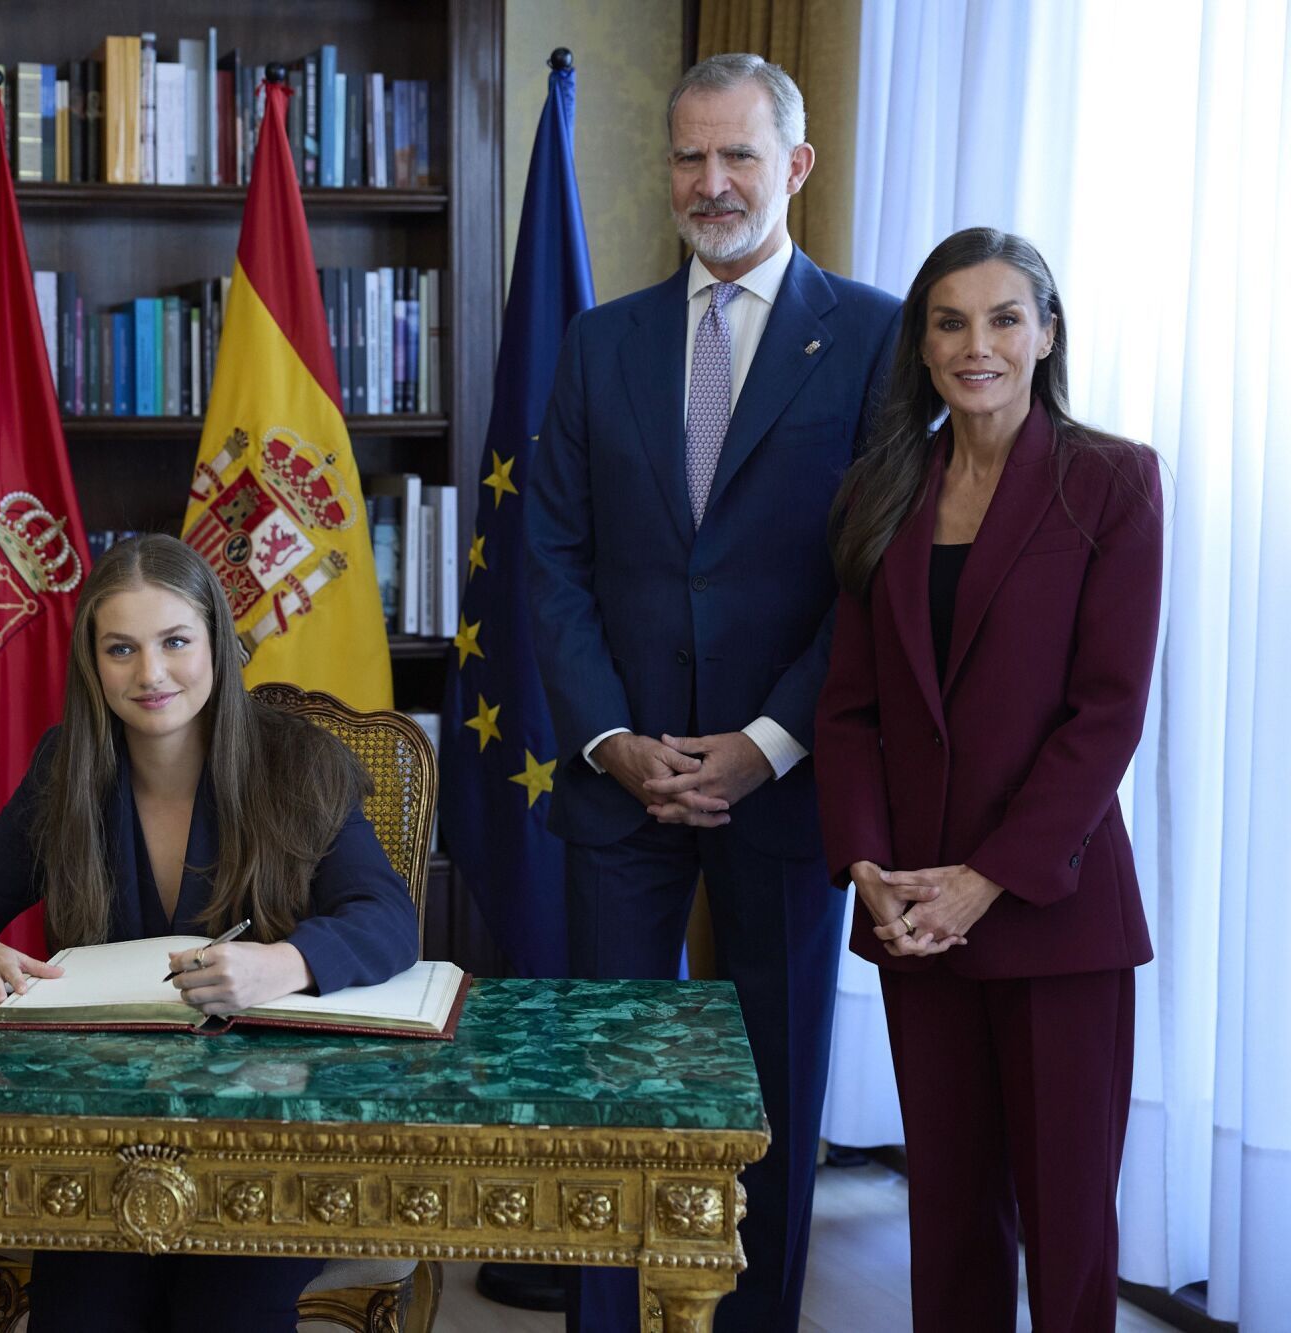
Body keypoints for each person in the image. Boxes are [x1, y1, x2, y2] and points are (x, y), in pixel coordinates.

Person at [525, 52, 903, 1333]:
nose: (710, 181)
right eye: (688, 155)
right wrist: (612, 738)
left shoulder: (875, 334)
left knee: (771, 1091)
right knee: (605, 1097)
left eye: (738, 154)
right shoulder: (598, 339)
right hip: (620, 784)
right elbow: (553, 559)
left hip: (785, 787)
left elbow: (875, 578)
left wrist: (765, 741)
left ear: (793, 166)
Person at [0, 533, 418, 1333]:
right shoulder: (67, 768)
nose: (151, 673)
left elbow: (388, 919)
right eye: (121, 649)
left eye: (175, 641)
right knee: (81, 1313)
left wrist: (284, 963)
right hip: (108, 1135)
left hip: (269, 1134)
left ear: (215, 643)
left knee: (223, 1310)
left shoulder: (300, 761)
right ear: (92, 664)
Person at [815, 227, 1162, 1332]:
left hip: (1052, 912)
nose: (977, 344)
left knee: (1066, 1226)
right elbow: (850, 707)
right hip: (915, 914)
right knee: (948, 1216)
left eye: (1004, 318)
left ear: (1045, 332)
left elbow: (1105, 713)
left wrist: (984, 879)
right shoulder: (880, 489)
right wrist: (867, 866)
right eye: (949, 321)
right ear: (919, 344)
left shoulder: (1108, 478)